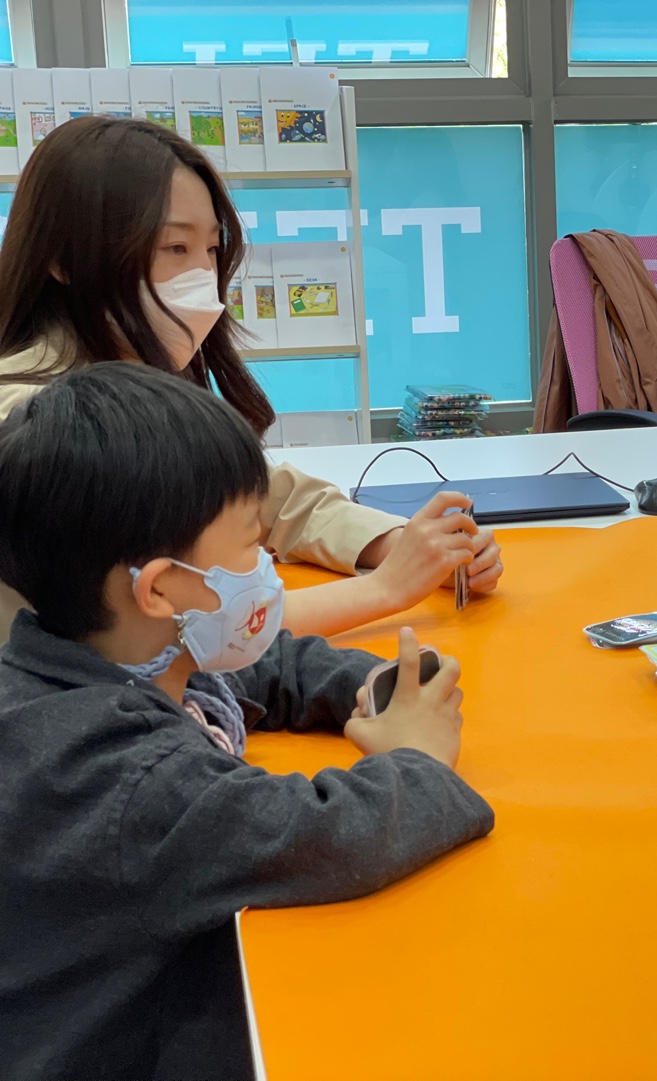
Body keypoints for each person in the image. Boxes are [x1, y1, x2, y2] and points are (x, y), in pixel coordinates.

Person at [0, 364, 496, 1078]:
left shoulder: (120, 654)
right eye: (249, 548)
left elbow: (262, 667)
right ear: (159, 590)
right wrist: (415, 755)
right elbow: (330, 839)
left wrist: (372, 684)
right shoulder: (117, 776)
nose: (266, 565)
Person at [0, 115, 503, 646]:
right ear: (64, 259)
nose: (202, 278)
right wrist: (387, 587)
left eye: (212, 250)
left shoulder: (138, 378)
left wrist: (403, 545)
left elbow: (270, 499)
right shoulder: (36, 420)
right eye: (175, 248)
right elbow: (171, 634)